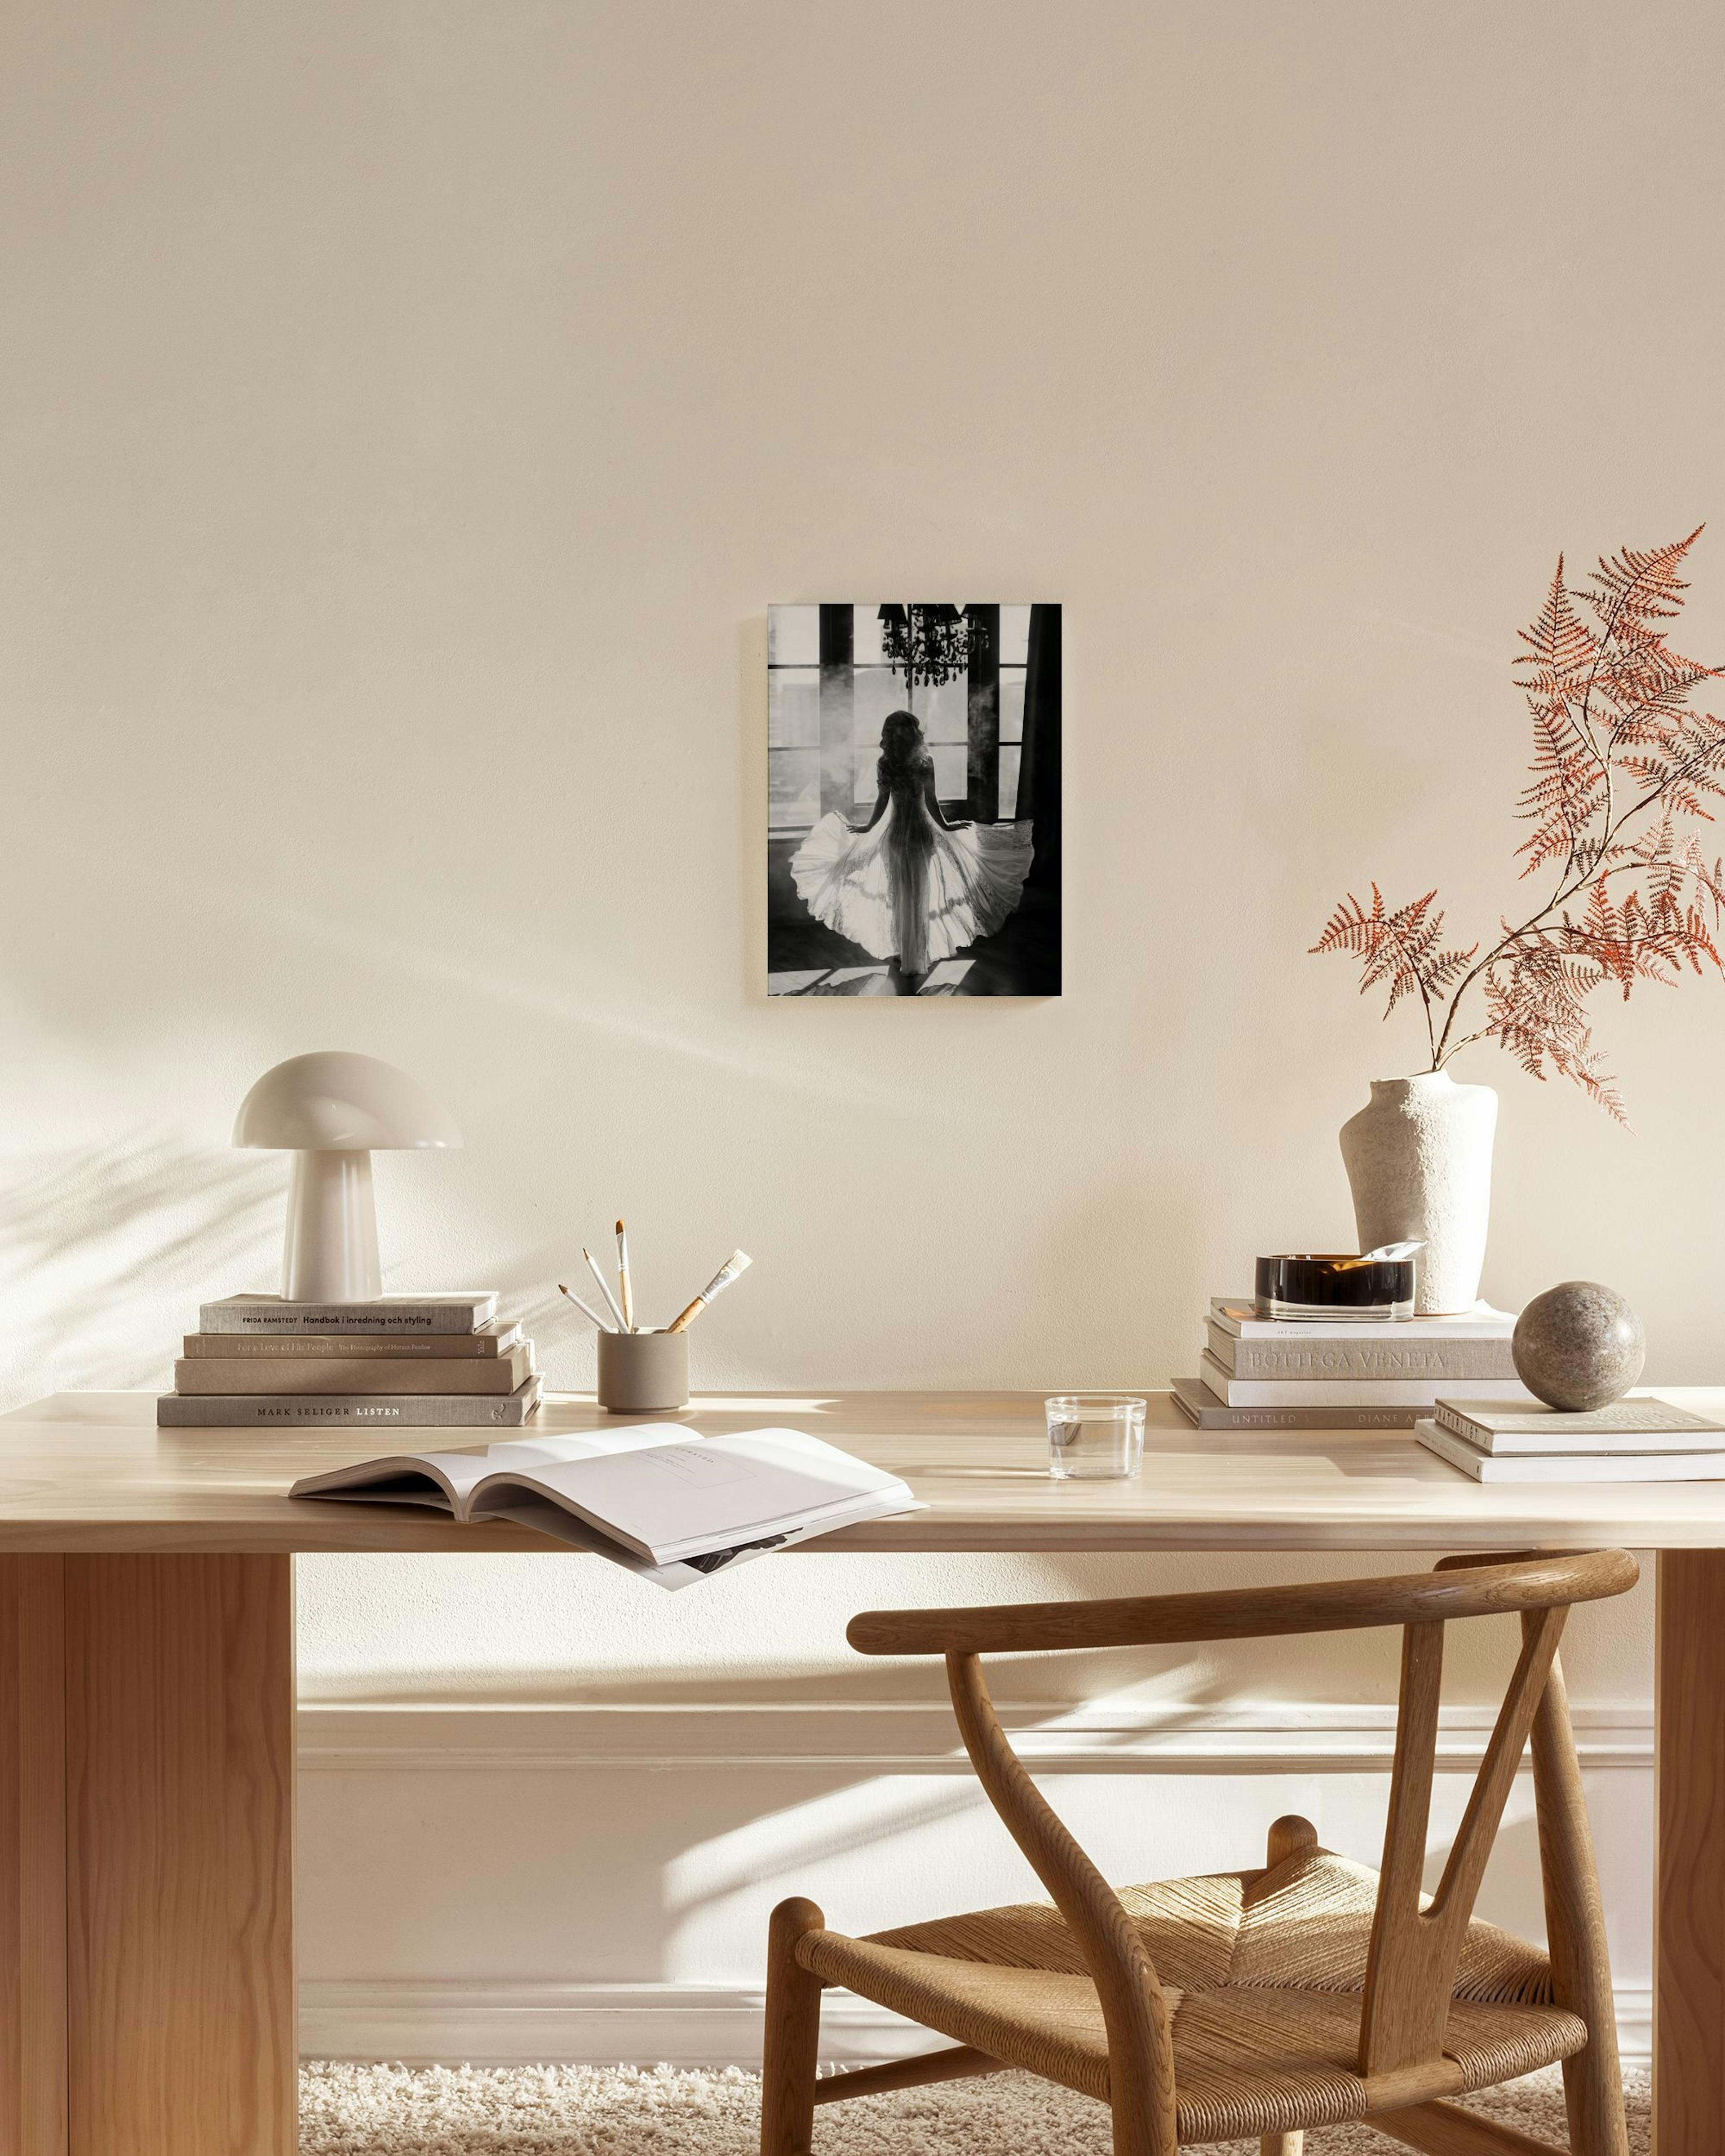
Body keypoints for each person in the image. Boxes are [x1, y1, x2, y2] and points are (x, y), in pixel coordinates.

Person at [789, 711, 1034, 982]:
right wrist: (869, 828)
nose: (903, 734)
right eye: (900, 729)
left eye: (905, 729)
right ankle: (906, 950)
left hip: (918, 835)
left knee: (915, 894)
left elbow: (930, 800)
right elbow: (890, 801)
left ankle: (913, 952)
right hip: (898, 836)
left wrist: (945, 827)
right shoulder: (897, 762)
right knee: (902, 894)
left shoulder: (911, 762)